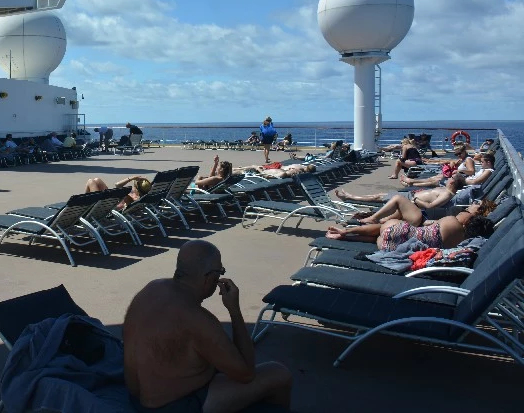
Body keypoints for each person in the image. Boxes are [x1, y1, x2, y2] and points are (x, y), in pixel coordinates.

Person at [124, 240, 292, 413]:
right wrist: (234, 311)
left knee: (213, 362)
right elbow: (246, 374)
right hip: (173, 406)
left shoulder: (151, 288)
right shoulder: (198, 319)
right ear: (209, 278)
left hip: (135, 399)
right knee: (278, 373)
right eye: (220, 273)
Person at [325, 201, 495, 251]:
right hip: (389, 247)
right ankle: (346, 236)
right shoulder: (459, 245)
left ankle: (346, 231)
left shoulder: (454, 221)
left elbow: (433, 226)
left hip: (400, 231)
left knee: (385, 228)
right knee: (379, 238)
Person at [334, 173, 467, 215]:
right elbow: (434, 182)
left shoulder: (447, 194)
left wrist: (415, 199)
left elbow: (430, 206)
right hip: (410, 196)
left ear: (453, 182)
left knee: (377, 197)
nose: (449, 178)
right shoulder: (447, 190)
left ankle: (349, 197)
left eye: (451, 177)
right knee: (380, 195)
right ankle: (350, 196)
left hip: (410, 200)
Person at [401, 153, 494, 188]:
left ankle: (412, 183)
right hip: (462, 179)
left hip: (462, 182)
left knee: (436, 181)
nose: (481, 164)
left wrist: (460, 179)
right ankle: (411, 182)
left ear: (489, 162)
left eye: (482, 162)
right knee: (436, 179)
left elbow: (475, 182)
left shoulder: (488, 171)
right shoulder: (485, 169)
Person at [84, 174, 152, 210]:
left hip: (105, 206)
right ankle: (86, 204)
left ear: (136, 188)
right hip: (109, 200)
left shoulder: (133, 198)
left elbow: (118, 185)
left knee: (91, 181)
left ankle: (85, 206)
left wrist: (132, 178)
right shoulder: (137, 195)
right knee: (97, 180)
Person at [234, 162, 316, 179]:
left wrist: (257, 169)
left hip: (255, 173)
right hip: (262, 170)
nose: (295, 171)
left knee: (237, 172)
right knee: (245, 168)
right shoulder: (283, 172)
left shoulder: (282, 174)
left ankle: (235, 170)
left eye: (295, 172)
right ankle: (237, 169)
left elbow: (265, 176)